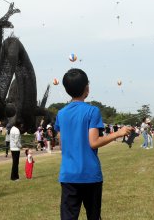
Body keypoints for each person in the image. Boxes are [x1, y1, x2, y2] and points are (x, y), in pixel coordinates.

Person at [54, 68, 132, 220]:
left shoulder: (61, 114)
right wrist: (118, 133)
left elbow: (62, 145)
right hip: (90, 175)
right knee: (94, 216)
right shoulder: (92, 111)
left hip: (68, 175)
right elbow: (94, 142)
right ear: (87, 89)